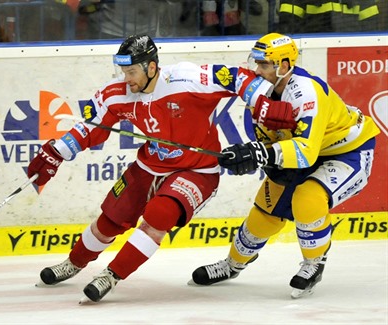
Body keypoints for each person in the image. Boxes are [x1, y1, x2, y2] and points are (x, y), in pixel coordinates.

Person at [27, 34, 274, 303]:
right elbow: (90, 127)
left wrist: (264, 103)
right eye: (124, 71)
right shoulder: (116, 93)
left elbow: (237, 77)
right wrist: (56, 152)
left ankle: (111, 276)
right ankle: (73, 263)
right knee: (109, 222)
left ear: (152, 67)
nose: (127, 78)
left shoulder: (186, 79)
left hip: (197, 170)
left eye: (132, 71)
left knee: (159, 216)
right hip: (148, 166)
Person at [189, 33, 380, 299]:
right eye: (256, 63)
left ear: (285, 64)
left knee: (308, 198)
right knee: (263, 215)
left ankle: (314, 262)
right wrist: (256, 156)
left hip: (347, 151)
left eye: (264, 64)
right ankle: (233, 264)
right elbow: (269, 140)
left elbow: (305, 152)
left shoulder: (306, 91)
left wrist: (260, 154)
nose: (258, 70)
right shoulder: (262, 90)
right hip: (302, 150)